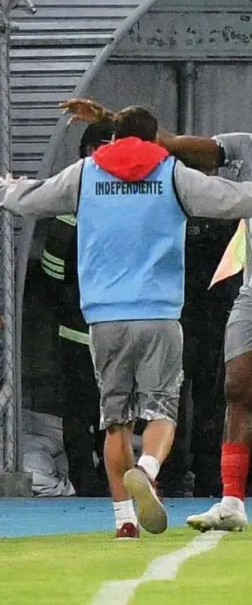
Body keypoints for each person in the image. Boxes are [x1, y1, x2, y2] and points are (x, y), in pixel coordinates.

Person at [1, 105, 252, 538]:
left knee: (114, 420)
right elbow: (237, 197)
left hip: (103, 319)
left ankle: (124, 520)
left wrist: (5, 187)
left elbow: (30, 198)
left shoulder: (86, 174)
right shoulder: (172, 176)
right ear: (154, 140)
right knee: (162, 410)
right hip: (159, 316)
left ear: (112, 140)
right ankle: (147, 467)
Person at [41, 119, 114, 497]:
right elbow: (52, 270)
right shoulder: (71, 205)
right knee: (82, 407)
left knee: (114, 410)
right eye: (99, 147)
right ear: (85, 153)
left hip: (117, 330)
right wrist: (72, 309)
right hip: (79, 330)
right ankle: (86, 481)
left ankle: (108, 478)